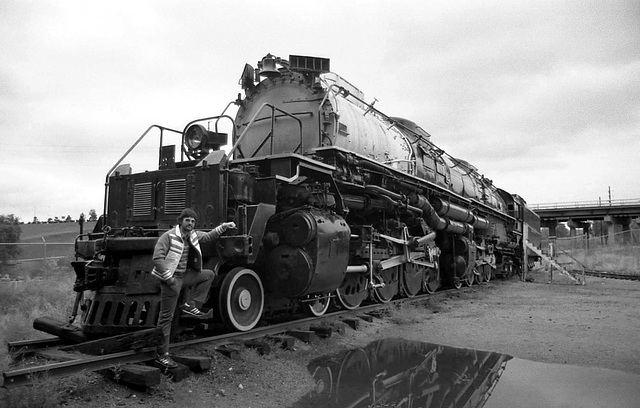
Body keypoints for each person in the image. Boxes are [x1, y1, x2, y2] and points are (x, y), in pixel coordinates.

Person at [151, 208, 236, 369]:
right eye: (187, 220)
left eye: (192, 221)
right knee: (166, 318)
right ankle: (162, 355)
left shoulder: (193, 235)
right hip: (171, 280)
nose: (190, 223)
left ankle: (191, 304)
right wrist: (169, 279)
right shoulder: (168, 236)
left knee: (209, 274)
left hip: (184, 276)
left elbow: (210, 236)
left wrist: (224, 226)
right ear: (180, 221)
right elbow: (157, 258)